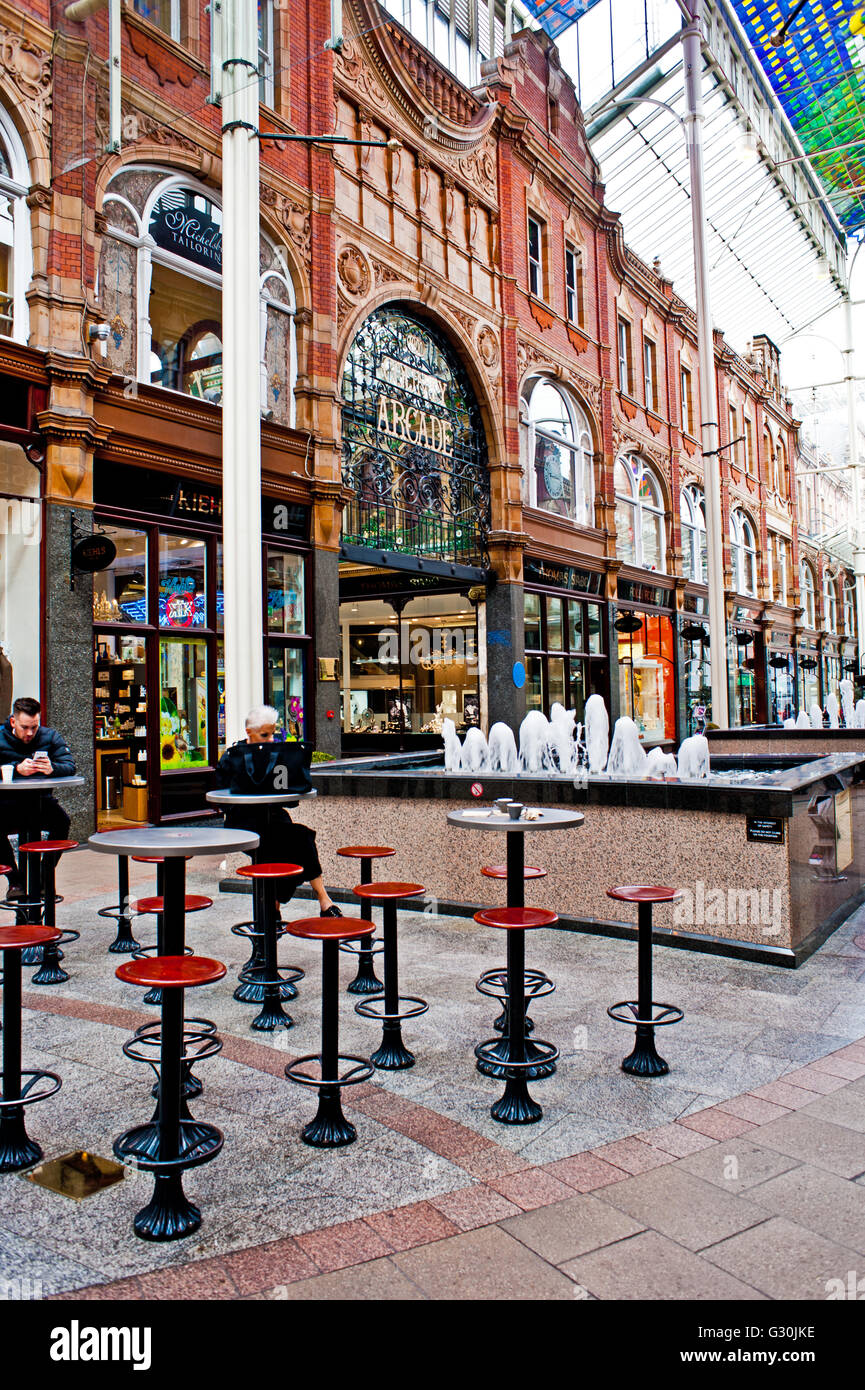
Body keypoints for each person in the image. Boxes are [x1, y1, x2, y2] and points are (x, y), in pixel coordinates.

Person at [215, 705, 341, 915]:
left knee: (300, 838)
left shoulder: (278, 756)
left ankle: (317, 900)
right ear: (249, 732)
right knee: (288, 844)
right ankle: (278, 905)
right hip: (243, 824)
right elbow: (222, 798)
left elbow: (288, 799)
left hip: (274, 821)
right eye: (265, 734)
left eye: (272, 734)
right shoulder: (232, 757)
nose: (271, 739)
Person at [0, 696, 76, 900]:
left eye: (34, 727)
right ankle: (14, 880)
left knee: (62, 821)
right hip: (6, 804)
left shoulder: (50, 737)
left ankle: (43, 876)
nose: (30, 733)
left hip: (40, 801)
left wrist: (53, 768)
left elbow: (70, 765)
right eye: (25, 727)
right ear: (13, 722)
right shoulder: (0, 736)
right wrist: (15, 769)